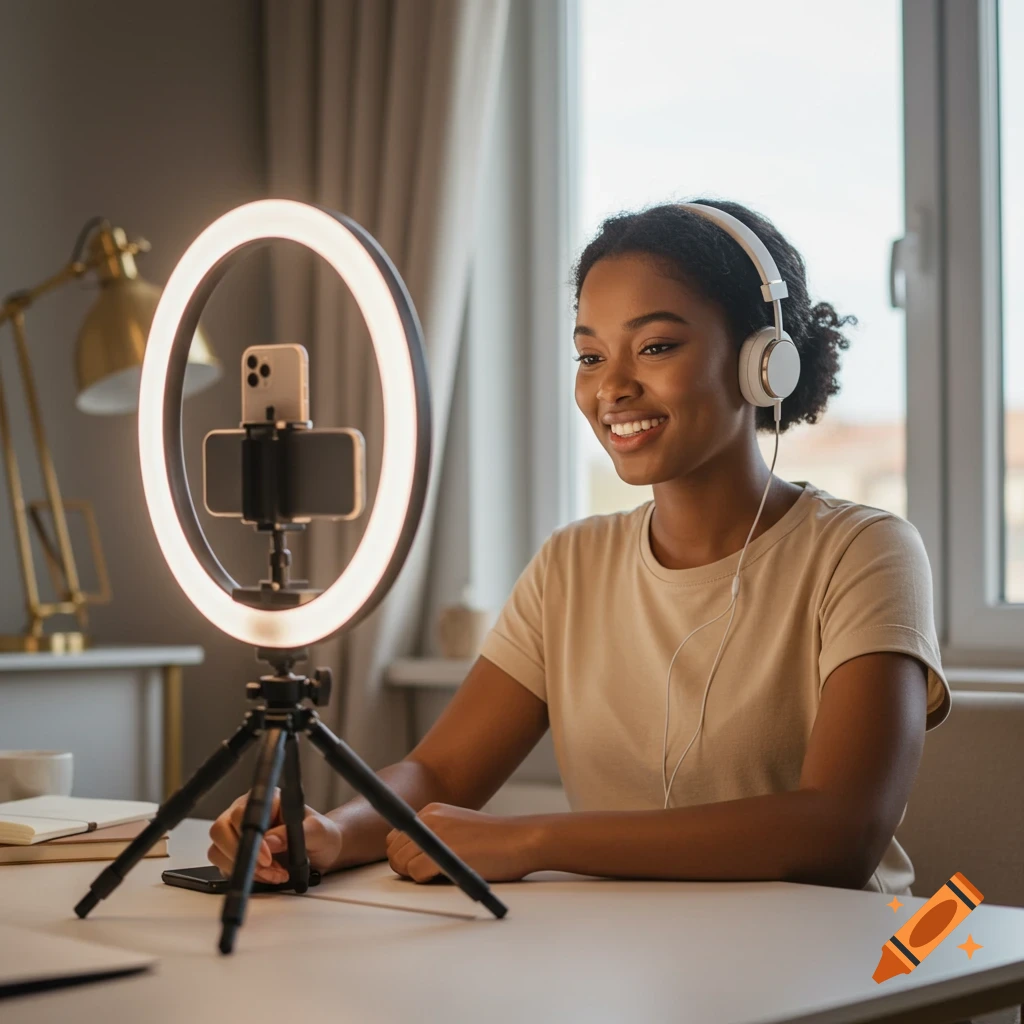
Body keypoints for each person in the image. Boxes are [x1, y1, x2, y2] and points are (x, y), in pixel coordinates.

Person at [209, 198, 951, 897]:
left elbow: (839, 831)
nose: (612, 388)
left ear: (764, 360)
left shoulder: (864, 552)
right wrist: (331, 833)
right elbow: (438, 772)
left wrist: (533, 841)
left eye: (655, 346)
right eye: (590, 356)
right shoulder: (572, 564)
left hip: (841, 969)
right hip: (626, 961)